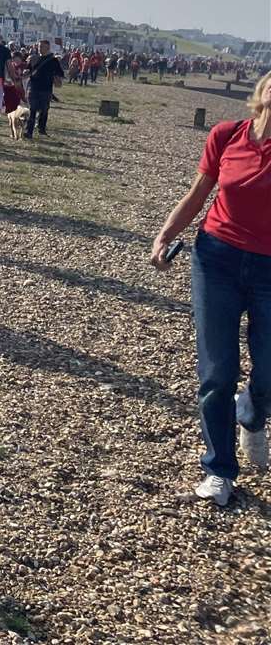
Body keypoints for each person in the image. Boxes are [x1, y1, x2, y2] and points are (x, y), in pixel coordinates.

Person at [151, 72, 271, 507]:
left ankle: (252, 416)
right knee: (218, 371)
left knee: (269, 372)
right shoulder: (227, 135)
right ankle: (219, 469)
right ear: (261, 93)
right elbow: (199, 191)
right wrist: (165, 235)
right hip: (215, 258)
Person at [25, 40, 65, 139]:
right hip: (33, 87)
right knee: (32, 109)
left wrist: (57, 80)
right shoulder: (34, 58)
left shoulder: (53, 60)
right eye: (39, 46)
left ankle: (41, 128)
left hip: (46, 89)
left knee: (44, 109)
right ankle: (28, 131)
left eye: (42, 46)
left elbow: (59, 74)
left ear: (48, 48)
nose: (40, 48)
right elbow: (28, 70)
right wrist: (25, 71)